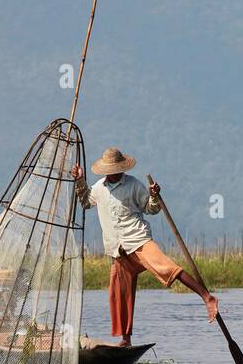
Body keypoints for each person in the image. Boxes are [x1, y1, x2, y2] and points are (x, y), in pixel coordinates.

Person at [72, 147, 218, 346]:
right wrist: (79, 181)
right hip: (117, 248)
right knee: (119, 294)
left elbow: (151, 209)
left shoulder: (133, 185)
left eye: (117, 168)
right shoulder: (98, 188)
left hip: (138, 240)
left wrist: (154, 196)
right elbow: (86, 202)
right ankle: (126, 339)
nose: (115, 172)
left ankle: (207, 297)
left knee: (166, 267)